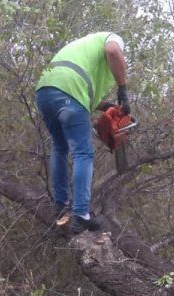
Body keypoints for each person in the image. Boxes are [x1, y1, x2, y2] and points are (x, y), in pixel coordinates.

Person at [35, 32, 130, 234]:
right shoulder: (112, 39)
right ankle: (80, 214)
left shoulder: (84, 51)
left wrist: (107, 106)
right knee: (83, 152)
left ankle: (60, 206)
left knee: (59, 147)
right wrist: (123, 89)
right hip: (70, 90)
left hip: (44, 91)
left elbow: (86, 98)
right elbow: (113, 51)